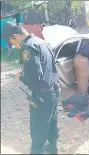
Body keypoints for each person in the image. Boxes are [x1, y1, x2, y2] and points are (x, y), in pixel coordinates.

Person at [2, 21, 60, 154]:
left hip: (42, 96)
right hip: (54, 91)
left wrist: (21, 77)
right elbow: (48, 67)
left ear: (16, 36)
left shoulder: (27, 47)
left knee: (38, 131)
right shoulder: (41, 42)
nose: (15, 46)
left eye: (13, 43)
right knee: (51, 123)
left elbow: (34, 77)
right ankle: (52, 148)